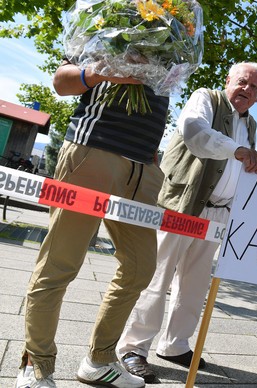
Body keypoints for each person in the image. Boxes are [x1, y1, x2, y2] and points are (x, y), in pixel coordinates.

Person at [15, 60, 170, 388]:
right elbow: (62, 81)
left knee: (140, 267)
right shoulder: (105, 18)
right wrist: (109, 69)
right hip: (94, 150)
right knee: (59, 264)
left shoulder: (173, 36)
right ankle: (35, 365)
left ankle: (99, 361)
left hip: (143, 168)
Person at [116, 62, 257, 383]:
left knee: (195, 284)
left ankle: (174, 345)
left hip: (217, 214)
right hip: (182, 204)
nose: (247, 90)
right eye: (242, 82)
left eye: (255, 88)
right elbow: (195, 133)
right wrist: (237, 150)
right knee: (157, 275)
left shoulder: (251, 125)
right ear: (228, 80)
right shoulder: (206, 98)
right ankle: (133, 347)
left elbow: (241, 170)